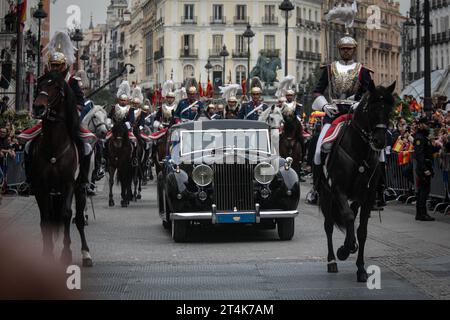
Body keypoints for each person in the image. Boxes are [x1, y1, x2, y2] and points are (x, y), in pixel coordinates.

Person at [18, 31, 96, 195]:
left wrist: (72, 112)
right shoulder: (44, 81)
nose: (54, 68)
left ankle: (84, 182)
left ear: (64, 65)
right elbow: (38, 99)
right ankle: (29, 181)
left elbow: (81, 103)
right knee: (28, 145)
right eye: (52, 65)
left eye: (57, 65)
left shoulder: (73, 82)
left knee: (87, 147)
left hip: (68, 123)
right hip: (48, 121)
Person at [311, 35, 373, 166]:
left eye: (349, 49)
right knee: (318, 150)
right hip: (333, 115)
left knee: (377, 149)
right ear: (339, 50)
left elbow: (370, 93)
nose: (346, 51)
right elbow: (317, 91)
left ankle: (381, 182)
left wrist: (360, 104)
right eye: (343, 48)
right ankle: (318, 183)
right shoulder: (329, 68)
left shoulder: (362, 70)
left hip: (355, 115)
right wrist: (324, 106)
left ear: (354, 50)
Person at [414, 117, 441, 221]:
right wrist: (425, 169)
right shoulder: (419, 138)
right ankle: (421, 214)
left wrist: (436, 146)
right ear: (420, 125)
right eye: (426, 124)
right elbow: (419, 155)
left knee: (423, 191)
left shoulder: (425, 137)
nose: (428, 126)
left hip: (426, 166)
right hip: (423, 167)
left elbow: (429, 151)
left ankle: (421, 213)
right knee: (423, 191)